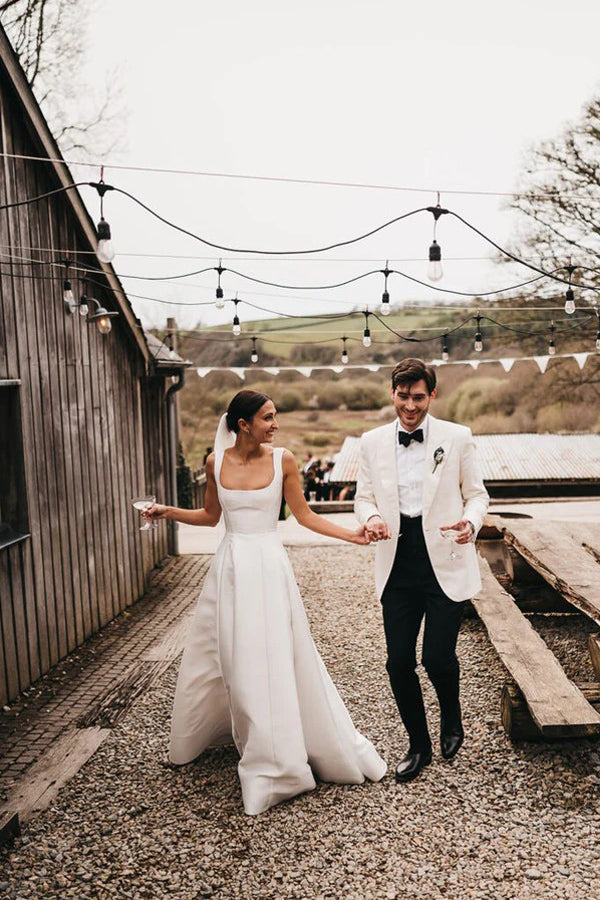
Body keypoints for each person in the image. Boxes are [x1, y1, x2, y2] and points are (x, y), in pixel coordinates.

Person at [143, 390, 386, 815]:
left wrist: (354, 535)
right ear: (243, 424)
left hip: (270, 569)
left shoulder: (284, 460)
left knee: (276, 655)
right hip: (231, 571)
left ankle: (280, 756)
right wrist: (169, 512)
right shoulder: (215, 463)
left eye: (275, 417)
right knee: (234, 660)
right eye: (268, 418)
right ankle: (243, 735)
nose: (275, 425)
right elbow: (211, 517)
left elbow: (305, 515)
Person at [354, 359, 488, 784]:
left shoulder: (458, 437)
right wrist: (372, 516)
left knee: (437, 657)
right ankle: (418, 745)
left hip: (445, 559)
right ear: (392, 393)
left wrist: (471, 523)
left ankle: (452, 718)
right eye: (402, 396)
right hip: (397, 562)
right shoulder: (371, 441)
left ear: (432, 395)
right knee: (398, 663)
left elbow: (478, 495)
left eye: (418, 397)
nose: (409, 406)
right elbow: (363, 497)